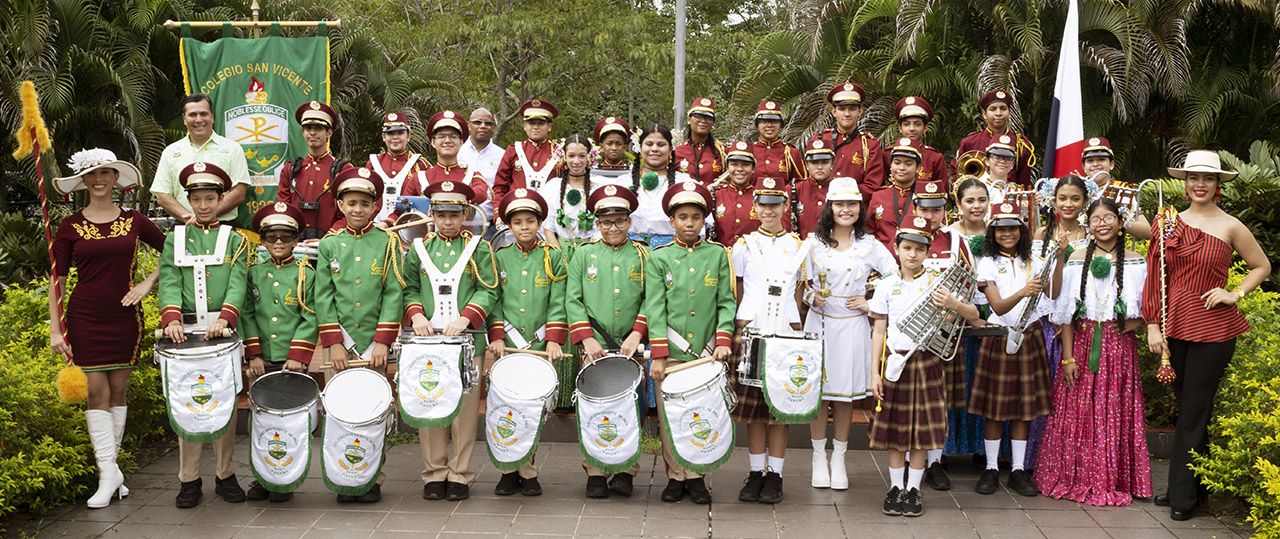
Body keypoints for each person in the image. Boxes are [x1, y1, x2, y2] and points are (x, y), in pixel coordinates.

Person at [1144, 150, 1270, 520]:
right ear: (1184, 184)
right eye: (1194, 178)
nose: (1200, 184)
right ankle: (1195, 485)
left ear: (1218, 186)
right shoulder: (1166, 222)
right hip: (1174, 325)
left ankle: (1182, 497)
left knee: (1195, 409)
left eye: (1208, 179)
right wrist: (1153, 323)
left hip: (1215, 329)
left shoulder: (1231, 226)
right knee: (1188, 409)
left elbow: (1261, 265)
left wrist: (1236, 293)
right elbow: (1155, 276)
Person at [50, 149, 165, 509]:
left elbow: (177, 250)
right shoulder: (69, 227)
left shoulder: (135, 221)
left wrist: (148, 282)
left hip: (125, 318)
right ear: (83, 182)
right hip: (84, 317)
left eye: (106, 173)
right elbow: (57, 281)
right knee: (95, 393)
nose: (99, 180)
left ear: (116, 178)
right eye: (92, 175)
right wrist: (57, 330)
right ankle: (107, 474)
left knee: (118, 392)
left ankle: (112, 474)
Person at [1036, 197, 1152, 506]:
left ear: (1120, 221)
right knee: (1078, 409)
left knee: (1113, 411)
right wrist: (1069, 357)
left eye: (1108, 218)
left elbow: (1149, 299)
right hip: (1083, 343)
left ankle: (1114, 478)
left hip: (1119, 348)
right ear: (1088, 223)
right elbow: (1066, 311)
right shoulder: (1076, 257)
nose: (1102, 224)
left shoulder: (1136, 258)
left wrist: (1138, 320)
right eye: (1096, 219)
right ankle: (1077, 475)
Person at [869, 212, 981, 517]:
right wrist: (874, 373)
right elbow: (879, 330)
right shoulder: (885, 285)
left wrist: (953, 305)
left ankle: (914, 489)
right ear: (896, 248)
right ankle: (895, 488)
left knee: (920, 433)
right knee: (896, 432)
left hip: (927, 360)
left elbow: (973, 314)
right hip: (896, 362)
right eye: (907, 248)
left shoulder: (938, 283)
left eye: (920, 249)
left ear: (928, 252)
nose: (913, 254)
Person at [157, 162, 251, 508]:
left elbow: (238, 282)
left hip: (221, 332)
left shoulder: (234, 239)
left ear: (221, 198)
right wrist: (171, 319)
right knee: (188, 403)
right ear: (189, 200)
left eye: (210, 198)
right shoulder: (175, 238)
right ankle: (189, 479)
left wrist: (226, 318)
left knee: (222, 403)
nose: (204, 206)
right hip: (185, 333)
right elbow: (168, 280)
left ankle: (225, 474)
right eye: (197, 199)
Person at [402, 179, 499, 503]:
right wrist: (416, 316)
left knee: (464, 411)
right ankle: (434, 472)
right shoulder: (418, 249)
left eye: (454, 215)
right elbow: (410, 288)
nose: (448, 221)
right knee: (430, 406)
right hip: (428, 342)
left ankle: (459, 473)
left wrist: (466, 318)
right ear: (431, 213)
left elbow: (489, 289)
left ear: (464, 214)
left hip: (466, 341)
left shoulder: (479, 248)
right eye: (441, 214)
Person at [313, 166, 404, 504]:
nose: (357, 210)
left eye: (365, 203)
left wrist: (382, 340)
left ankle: (372, 477)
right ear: (339, 204)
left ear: (375, 206)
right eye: (350, 203)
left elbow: (394, 292)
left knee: (372, 411)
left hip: (373, 346)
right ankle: (342, 477)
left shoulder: (388, 242)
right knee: (339, 411)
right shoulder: (329, 245)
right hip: (340, 346)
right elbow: (322, 296)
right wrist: (334, 344)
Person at [643, 181, 735, 505]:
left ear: (704, 220)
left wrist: (723, 339)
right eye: (683, 217)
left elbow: (726, 301)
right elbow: (655, 308)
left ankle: (696, 476)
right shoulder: (659, 258)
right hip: (673, 353)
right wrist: (658, 355)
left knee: (702, 411)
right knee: (670, 418)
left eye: (696, 217)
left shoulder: (718, 255)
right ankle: (675, 475)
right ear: (672, 221)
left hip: (708, 352)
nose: (690, 223)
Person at [803, 177, 897, 490]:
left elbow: (896, 280)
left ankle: (839, 458)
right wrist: (809, 297)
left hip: (854, 326)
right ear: (830, 207)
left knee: (844, 397)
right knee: (817, 394)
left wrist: (870, 301)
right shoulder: (812, 242)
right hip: (819, 324)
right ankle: (818, 456)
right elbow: (795, 284)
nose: (846, 210)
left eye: (852, 204)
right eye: (840, 204)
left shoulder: (870, 245)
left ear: (860, 208)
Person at [970, 199, 1064, 497]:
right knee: (994, 410)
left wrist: (1058, 259)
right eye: (1000, 229)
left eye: (1012, 228)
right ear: (992, 233)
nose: (1006, 234)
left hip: (1031, 333)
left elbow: (1053, 291)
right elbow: (996, 305)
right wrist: (1024, 291)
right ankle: (991, 469)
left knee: (1024, 409)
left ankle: (1019, 470)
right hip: (1000, 334)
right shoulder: (987, 263)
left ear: (1022, 231)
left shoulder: (1035, 260)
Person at [566, 185, 648, 498]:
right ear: (597, 223)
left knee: (632, 407)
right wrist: (585, 338)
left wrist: (638, 332)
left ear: (629, 221)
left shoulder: (643, 255)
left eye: (619, 220)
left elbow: (651, 299)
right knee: (593, 406)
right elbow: (572, 300)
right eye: (605, 221)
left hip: (631, 346)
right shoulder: (583, 254)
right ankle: (595, 470)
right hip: (594, 347)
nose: (613, 227)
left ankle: (627, 470)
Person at [486, 189, 569, 496]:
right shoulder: (498, 258)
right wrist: (495, 335)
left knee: (531, 409)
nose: (524, 227)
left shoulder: (553, 257)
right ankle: (507, 471)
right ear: (508, 226)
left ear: (539, 223)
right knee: (504, 407)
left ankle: (528, 470)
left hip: (536, 344)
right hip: (506, 344)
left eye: (530, 221)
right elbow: (493, 301)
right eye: (517, 221)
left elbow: (558, 302)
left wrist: (554, 339)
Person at [730, 180, 806, 504]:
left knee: (781, 406)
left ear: (785, 207)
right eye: (764, 204)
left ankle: (775, 474)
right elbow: (738, 288)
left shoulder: (799, 245)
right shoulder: (743, 245)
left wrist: (795, 326)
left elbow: (801, 292)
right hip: (752, 327)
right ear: (755, 206)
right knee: (754, 409)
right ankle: (756, 471)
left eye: (776, 204)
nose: (769, 210)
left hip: (786, 330)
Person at [240, 202, 317, 503]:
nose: (279, 243)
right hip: (263, 361)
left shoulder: (305, 274)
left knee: (290, 422)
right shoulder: (254, 273)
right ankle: (262, 476)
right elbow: (246, 313)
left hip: (290, 361)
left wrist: (298, 355)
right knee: (260, 421)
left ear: (296, 241)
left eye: (286, 237)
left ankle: (286, 478)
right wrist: (254, 354)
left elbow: (310, 316)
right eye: (272, 237)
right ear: (262, 240)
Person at [909, 177, 974, 490]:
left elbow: (969, 282)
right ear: (916, 207)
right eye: (926, 207)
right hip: (910, 334)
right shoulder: (905, 238)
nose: (932, 214)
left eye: (937, 208)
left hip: (945, 332)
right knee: (910, 399)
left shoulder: (954, 240)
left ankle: (935, 462)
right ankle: (909, 462)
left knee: (940, 401)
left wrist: (955, 308)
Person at [941, 177, 994, 472]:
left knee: (985, 381)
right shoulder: (948, 236)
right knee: (957, 381)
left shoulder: (1001, 232)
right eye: (970, 201)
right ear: (958, 204)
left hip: (992, 312)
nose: (976, 206)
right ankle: (945, 448)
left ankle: (983, 449)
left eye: (981, 200)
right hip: (954, 315)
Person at [151, 93, 250, 224]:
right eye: (192, 115)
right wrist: (190, 219)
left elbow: (239, 192)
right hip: (184, 226)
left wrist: (203, 217)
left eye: (204, 114)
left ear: (212, 117)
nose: (199, 119)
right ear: (184, 119)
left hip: (222, 226)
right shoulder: (170, 152)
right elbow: (162, 195)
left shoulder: (233, 149)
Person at [381, 111, 489, 227]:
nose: (447, 140)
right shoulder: (419, 178)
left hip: (465, 242)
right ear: (433, 142)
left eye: (453, 136)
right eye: (441, 136)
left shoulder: (473, 176)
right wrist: (385, 224)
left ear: (461, 142)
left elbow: (481, 193)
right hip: (426, 243)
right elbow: (400, 211)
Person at [277, 101, 355, 241]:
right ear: (303, 132)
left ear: (329, 133)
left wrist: (327, 240)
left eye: (318, 128)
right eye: (308, 128)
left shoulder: (343, 170)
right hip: (296, 245)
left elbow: (347, 214)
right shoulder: (291, 170)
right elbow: (284, 209)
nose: (312, 132)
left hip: (331, 243)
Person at [628, 124, 696, 248]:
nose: (654, 149)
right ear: (639, 147)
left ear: (670, 149)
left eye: (661, 145)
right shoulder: (623, 182)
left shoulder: (685, 184)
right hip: (631, 251)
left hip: (672, 252)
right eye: (649, 144)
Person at [809, 82, 885, 192]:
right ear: (834, 111)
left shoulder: (869, 144)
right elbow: (808, 177)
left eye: (852, 109)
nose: (847, 114)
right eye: (842, 109)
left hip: (855, 205)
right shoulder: (819, 140)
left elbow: (872, 185)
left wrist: (844, 194)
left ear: (860, 111)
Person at [956, 89, 1036, 186]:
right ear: (984, 114)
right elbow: (957, 173)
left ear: (1010, 112)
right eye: (993, 109)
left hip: (1008, 198)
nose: (998, 113)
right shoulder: (970, 142)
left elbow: (1024, 181)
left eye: (1003, 108)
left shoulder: (1021, 144)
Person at [1081, 137, 1152, 240]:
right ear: (1083, 167)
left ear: (1112, 164)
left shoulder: (1122, 191)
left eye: (1101, 159)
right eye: (1090, 161)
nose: (1095, 164)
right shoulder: (1077, 189)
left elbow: (1147, 231)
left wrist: (1118, 222)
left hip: (1113, 251)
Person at [539, 134, 599, 256]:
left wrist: (588, 256)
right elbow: (548, 228)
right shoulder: (552, 188)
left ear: (589, 158)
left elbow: (600, 228)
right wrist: (560, 257)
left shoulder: (597, 190)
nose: (576, 161)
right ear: (564, 157)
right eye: (571, 156)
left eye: (582, 156)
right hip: (560, 254)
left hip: (591, 254)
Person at [367, 112, 430, 226]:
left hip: (409, 226)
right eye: (390, 133)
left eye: (400, 133)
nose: (395, 137)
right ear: (383, 137)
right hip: (375, 226)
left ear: (408, 136)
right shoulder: (373, 163)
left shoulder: (420, 164)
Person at [493, 99, 559, 202]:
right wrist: (499, 214)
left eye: (541, 123)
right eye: (531, 123)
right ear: (525, 126)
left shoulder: (558, 152)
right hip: (517, 210)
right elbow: (500, 187)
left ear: (549, 126)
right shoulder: (513, 151)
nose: (535, 127)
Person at [867, 138, 926, 250]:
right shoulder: (879, 196)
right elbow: (869, 232)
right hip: (881, 260)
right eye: (897, 163)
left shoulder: (925, 197)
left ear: (918, 168)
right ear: (890, 166)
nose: (901, 168)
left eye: (908, 164)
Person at [890, 97, 950, 192]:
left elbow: (942, 193)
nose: (912, 129)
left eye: (917, 124)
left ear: (925, 128)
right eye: (906, 124)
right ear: (900, 128)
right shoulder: (888, 154)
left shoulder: (934, 157)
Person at [711, 141, 762, 245]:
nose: (739, 169)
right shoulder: (716, 196)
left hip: (753, 258)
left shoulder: (760, 197)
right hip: (722, 258)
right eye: (734, 164)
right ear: (727, 168)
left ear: (753, 168)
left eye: (746, 165)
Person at [750, 101, 805, 186]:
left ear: (781, 126)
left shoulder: (790, 152)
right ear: (757, 125)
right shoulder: (749, 151)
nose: (769, 125)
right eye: (764, 122)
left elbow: (800, 184)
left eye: (774, 121)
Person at [792, 137, 836, 238]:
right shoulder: (794, 189)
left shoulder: (840, 189)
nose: (819, 167)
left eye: (825, 162)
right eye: (814, 162)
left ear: (832, 164)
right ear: (806, 164)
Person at [674, 97, 725, 185]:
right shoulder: (678, 152)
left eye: (709, 118)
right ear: (689, 119)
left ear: (713, 123)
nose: (703, 121)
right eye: (698, 116)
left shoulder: (722, 152)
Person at [457, 107, 505, 187]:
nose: (483, 126)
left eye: (488, 123)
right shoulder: (457, 151)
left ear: (492, 127)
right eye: (477, 122)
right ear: (469, 125)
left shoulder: (502, 155)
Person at [592, 116, 633, 181]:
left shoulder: (632, 173)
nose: (614, 148)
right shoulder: (593, 174)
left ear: (624, 148)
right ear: (601, 147)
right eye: (609, 143)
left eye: (618, 144)